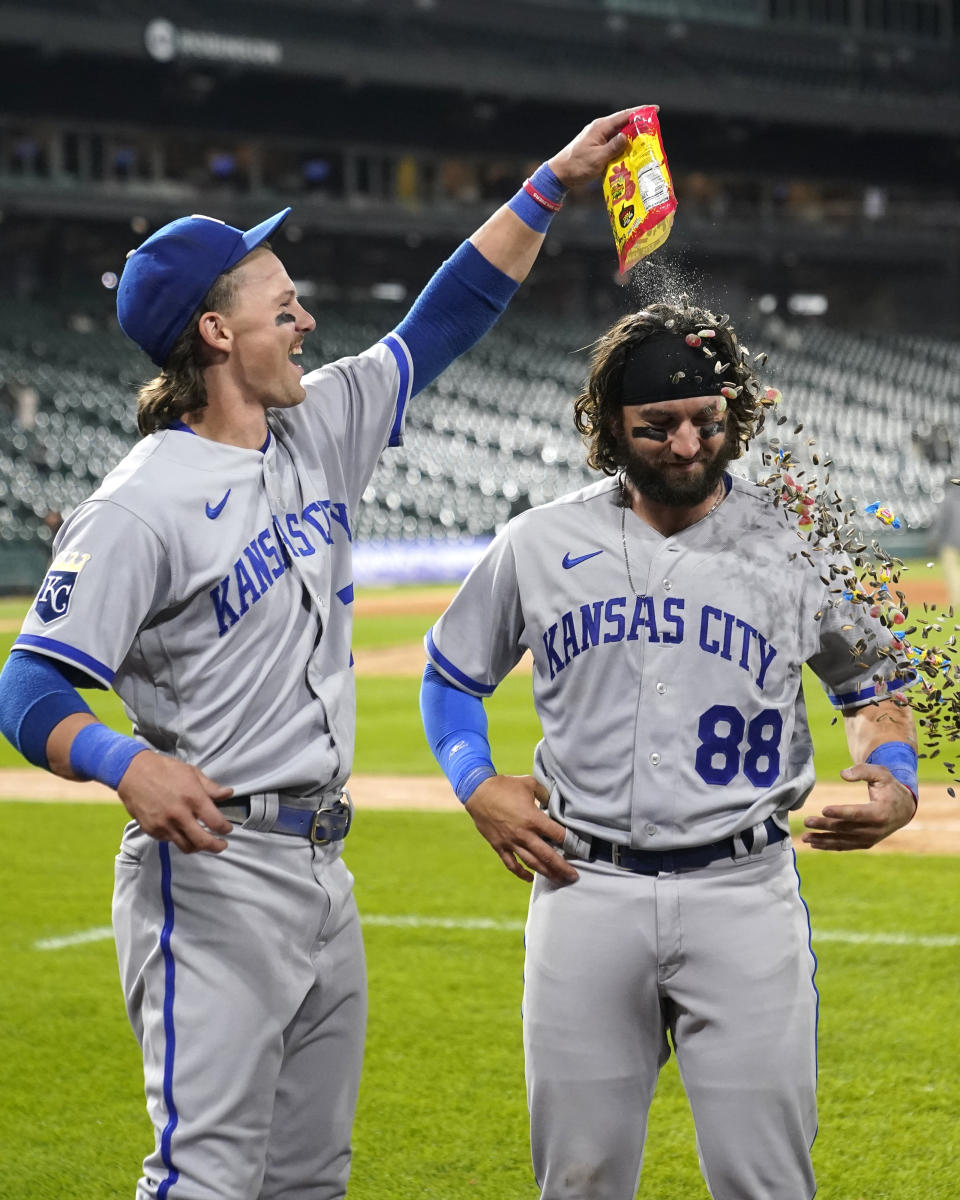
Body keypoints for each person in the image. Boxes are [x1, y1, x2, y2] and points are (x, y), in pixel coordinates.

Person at [0, 107, 639, 1200]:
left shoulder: (321, 426)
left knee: (308, 1179)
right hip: (212, 870)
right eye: (278, 301)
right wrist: (125, 764)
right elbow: (28, 685)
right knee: (204, 1177)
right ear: (215, 333)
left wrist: (553, 182)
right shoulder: (140, 505)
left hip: (320, 868)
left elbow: (450, 315)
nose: (303, 318)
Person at [420, 302, 919, 1200]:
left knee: (765, 1180)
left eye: (708, 424)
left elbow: (872, 686)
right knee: (578, 1180)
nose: (688, 446)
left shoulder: (797, 544)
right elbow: (451, 678)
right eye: (658, 428)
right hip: (584, 890)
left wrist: (894, 777)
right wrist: (475, 782)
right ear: (608, 427)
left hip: (744, 894)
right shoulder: (538, 542)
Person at [929, 474, 960, 612]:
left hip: (951, 541)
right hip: (953, 539)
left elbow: (942, 522)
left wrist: (934, 539)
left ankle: (957, 600)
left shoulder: (949, 498)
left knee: (952, 570)